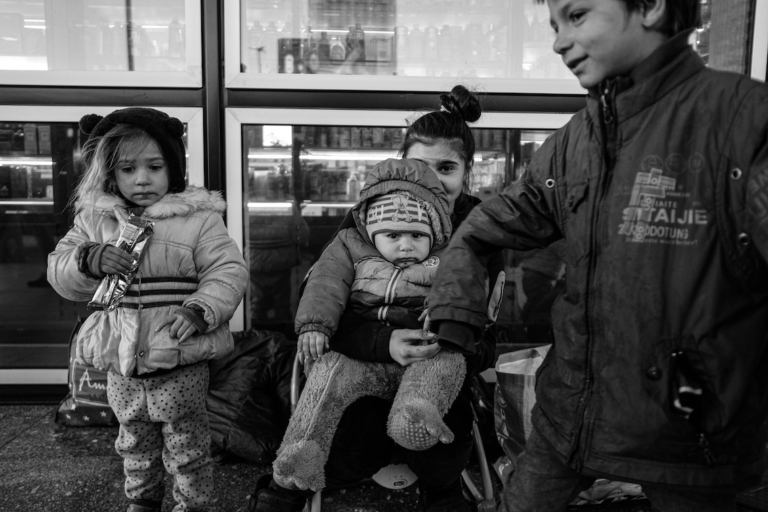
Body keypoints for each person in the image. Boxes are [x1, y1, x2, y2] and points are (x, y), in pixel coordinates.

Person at [426, 1, 768, 511]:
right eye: (554, 24)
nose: (559, 41)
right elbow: (484, 227)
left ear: (651, 7)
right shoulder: (574, 142)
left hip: (690, 436)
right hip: (568, 415)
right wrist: (456, 313)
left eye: (578, 15)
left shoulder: (742, 120)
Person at [250, 85, 504, 512]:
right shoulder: (368, 219)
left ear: (468, 172)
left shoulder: (479, 233)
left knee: (442, 430)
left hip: (436, 364)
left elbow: (485, 334)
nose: (434, 180)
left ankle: (442, 491)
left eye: (447, 167)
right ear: (400, 165)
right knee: (351, 448)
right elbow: (327, 297)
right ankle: (290, 483)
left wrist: (441, 344)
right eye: (420, 166)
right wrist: (383, 342)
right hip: (362, 355)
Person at [47, 107, 249, 512]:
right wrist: (88, 260)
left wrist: (201, 309)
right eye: (128, 169)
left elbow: (228, 271)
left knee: (187, 442)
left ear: (172, 167)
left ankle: (192, 504)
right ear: (110, 174)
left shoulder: (198, 219)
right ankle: (142, 501)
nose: (142, 178)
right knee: (132, 440)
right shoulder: (94, 221)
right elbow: (59, 269)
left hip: (179, 353)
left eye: (154, 166)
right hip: (121, 358)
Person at [271, 157, 469, 492]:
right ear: (372, 232)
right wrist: (316, 325)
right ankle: (303, 449)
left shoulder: (449, 253)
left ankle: (415, 415)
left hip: (421, 351)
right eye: (392, 235)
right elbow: (325, 283)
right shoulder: (349, 244)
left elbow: (465, 286)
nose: (405, 245)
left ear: (434, 234)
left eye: (417, 235)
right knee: (328, 370)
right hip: (361, 353)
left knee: (449, 360)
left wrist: (446, 307)